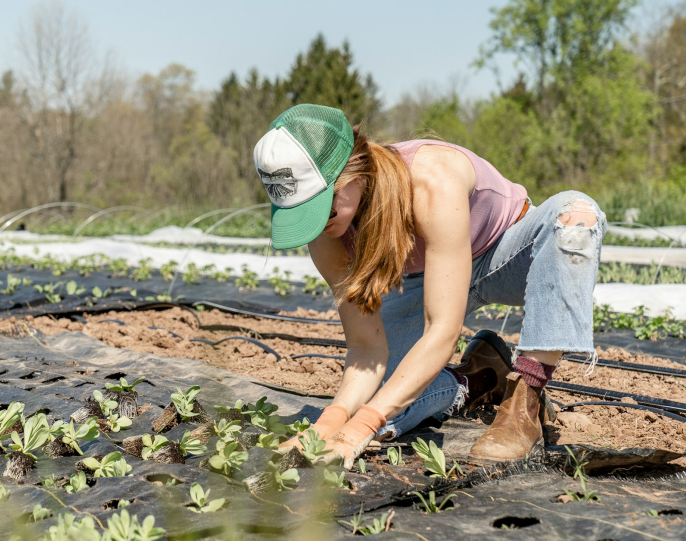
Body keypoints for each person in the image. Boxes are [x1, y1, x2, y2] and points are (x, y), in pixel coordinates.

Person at [253, 104, 605, 468]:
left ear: (353, 170)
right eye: (301, 214)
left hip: (508, 256)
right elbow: (367, 349)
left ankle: (525, 399)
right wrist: (331, 421)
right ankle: (476, 378)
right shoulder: (327, 234)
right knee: (384, 396)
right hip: (429, 280)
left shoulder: (430, 179)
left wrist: (363, 424)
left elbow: (442, 331)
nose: (318, 224)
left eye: (322, 207)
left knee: (576, 215)